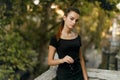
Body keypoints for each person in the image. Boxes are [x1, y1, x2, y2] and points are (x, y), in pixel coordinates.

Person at [48, 6, 88, 80]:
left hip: (78, 76)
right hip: (63, 76)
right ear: (64, 18)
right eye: (72, 19)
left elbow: (81, 59)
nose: (74, 22)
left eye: (76, 20)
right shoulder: (55, 38)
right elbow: (50, 61)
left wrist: (86, 78)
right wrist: (62, 60)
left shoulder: (77, 37)